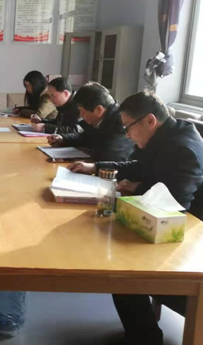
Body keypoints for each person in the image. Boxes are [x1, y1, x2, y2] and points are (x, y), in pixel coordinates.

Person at [69, 91, 203, 345]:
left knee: (121, 271)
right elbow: (137, 166)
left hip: (184, 243)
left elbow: (176, 203)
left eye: (128, 127)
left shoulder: (183, 147)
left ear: (150, 120)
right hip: (164, 227)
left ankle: (146, 338)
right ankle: (142, 334)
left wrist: (138, 187)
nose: (127, 135)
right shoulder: (161, 137)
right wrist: (97, 167)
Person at [47, 82, 135, 161]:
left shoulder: (119, 124)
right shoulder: (101, 119)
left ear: (98, 110)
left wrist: (88, 151)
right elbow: (85, 137)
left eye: (82, 111)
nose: (80, 115)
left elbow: (109, 157)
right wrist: (63, 139)